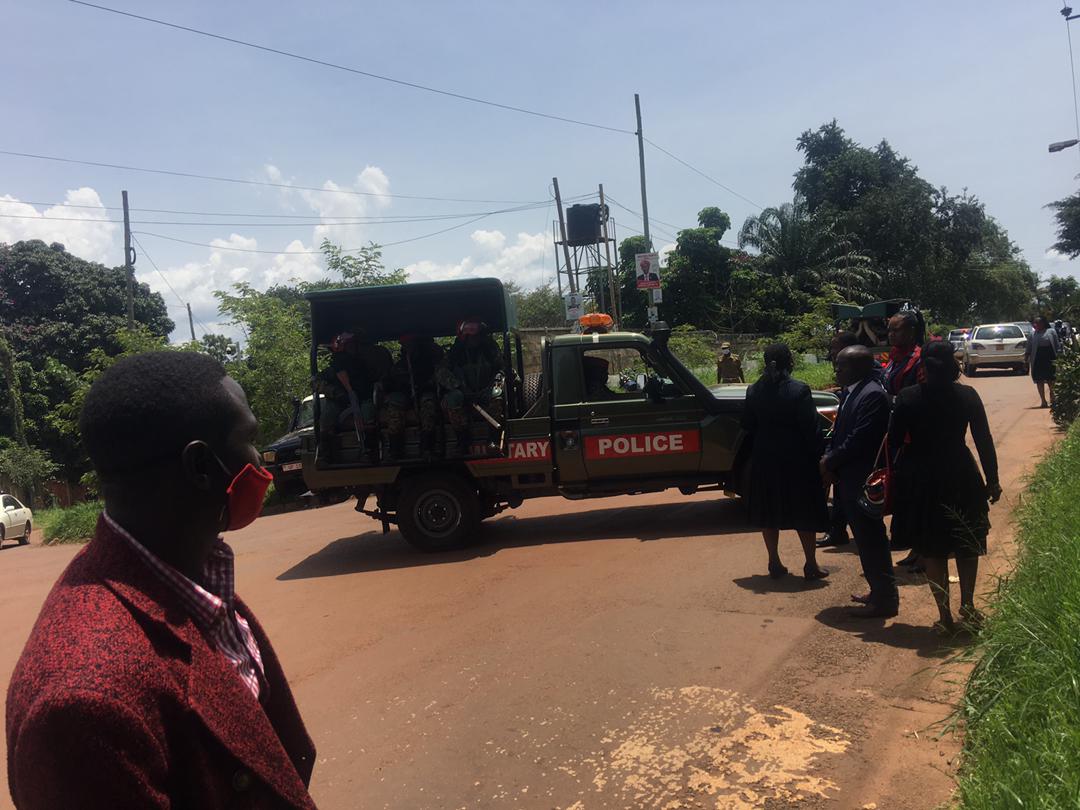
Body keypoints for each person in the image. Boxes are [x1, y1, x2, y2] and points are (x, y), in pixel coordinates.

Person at [6, 352, 317, 809]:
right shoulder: (83, 703)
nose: (260, 456)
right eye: (249, 439)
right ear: (201, 468)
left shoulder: (192, 576)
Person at [888, 340, 1001, 633]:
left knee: (933, 549)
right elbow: (984, 441)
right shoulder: (967, 396)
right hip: (961, 474)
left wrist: (897, 479)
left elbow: (894, 442)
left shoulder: (908, 397)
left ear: (922, 366)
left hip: (922, 478)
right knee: (966, 543)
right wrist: (993, 480)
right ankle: (969, 605)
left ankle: (944, 616)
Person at [740, 343, 830, 582]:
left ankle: (774, 561)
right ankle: (811, 564)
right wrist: (822, 457)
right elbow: (811, 429)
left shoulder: (754, 390)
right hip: (797, 460)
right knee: (804, 511)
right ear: (789, 362)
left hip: (765, 459)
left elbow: (747, 424)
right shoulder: (799, 390)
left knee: (769, 510)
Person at [821, 345, 899, 618]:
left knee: (872, 540)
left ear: (859, 368)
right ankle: (877, 592)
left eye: (841, 366)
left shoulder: (873, 395)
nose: (836, 370)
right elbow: (839, 433)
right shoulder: (852, 392)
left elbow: (860, 439)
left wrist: (829, 462)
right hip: (848, 477)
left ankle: (886, 600)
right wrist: (831, 457)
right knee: (865, 541)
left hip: (862, 478)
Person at [883, 310, 927, 570]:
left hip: (914, 437)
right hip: (895, 433)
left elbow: (919, 397)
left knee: (915, 496)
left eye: (896, 330)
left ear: (910, 332)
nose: (891, 334)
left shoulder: (918, 360)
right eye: (889, 330)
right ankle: (915, 548)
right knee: (903, 496)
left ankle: (923, 551)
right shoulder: (894, 359)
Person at [817, 331, 862, 550]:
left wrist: (830, 459)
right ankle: (837, 531)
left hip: (857, 456)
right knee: (841, 494)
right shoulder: (850, 384)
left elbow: (858, 435)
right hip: (843, 451)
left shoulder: (869, 388)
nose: (832, 354)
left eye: (835, 349)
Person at [319, 331, 391, 462]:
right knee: (327, 418)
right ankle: (326, 455)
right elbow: (316, 383)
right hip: (340, 401)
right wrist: (335, 392)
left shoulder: (363, 364)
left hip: (362, 398)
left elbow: (376, 379)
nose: (351, 348)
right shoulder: (334, 367)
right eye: (348, 345)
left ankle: (370, 451)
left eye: (353, 345)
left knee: (368, 414)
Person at [439, 319, 504, 456]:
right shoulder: (455, 352)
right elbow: (442, 373)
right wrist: (458, 387)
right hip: (463, 392)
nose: (474, 340)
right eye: (470, 337)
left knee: (496, 394)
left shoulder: (490, 348)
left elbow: (502, 367)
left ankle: (494, 440)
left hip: (486, 389)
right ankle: (463, 441)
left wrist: (497, 379)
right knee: (453, 398)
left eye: (477, 336)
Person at [383, 334, 444, 460]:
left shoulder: (427, 362)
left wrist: (423, 385)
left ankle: (427, 447)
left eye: (411, 344)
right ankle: (395, 449)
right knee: (394, 406)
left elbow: (436, 379)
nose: (409, 347)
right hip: (404, 395)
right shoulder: (400, 365)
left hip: (424, 393)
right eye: (406, 344)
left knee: (428, 404)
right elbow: (388, 383)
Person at [1027, 316, 1062, 408]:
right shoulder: (1032, 334)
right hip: (1038, 359)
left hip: (1050, 358)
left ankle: (1053, 396)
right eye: (1035, 323)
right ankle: (1043, 400)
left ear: (1043, 323)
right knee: (1039, 380)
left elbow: (1057, 345)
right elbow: (1029, 347)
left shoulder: (1051, 332)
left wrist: (1060, 356)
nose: (1036, 325)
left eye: (1038, 323)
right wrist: (1026, 357)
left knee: (1051, 379)